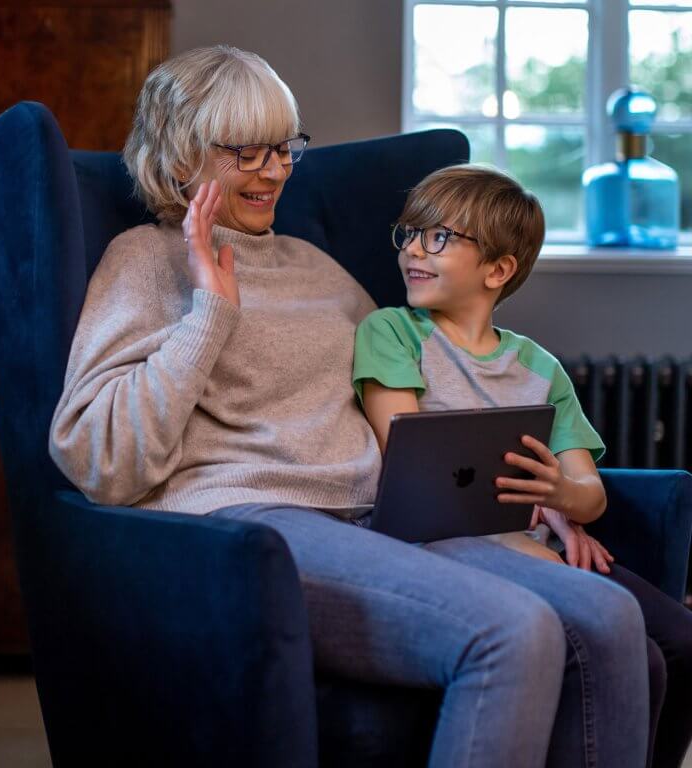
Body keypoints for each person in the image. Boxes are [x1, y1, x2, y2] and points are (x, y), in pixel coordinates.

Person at [49, 45, 650, 767]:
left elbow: (422, 383)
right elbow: (102, 461)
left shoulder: (317, 268)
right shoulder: (143, 262)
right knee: (512, 631)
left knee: (613, 618)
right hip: (255, 526)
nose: (275, 171)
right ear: (183, 158)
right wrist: (210, 312)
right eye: (248, 152)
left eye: (284, 148)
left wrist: (522, 482)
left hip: (384, 519)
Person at [352, 163, 692, 768]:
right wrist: (529, 539)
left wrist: (562, 497)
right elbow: (409, 459)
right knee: (633, 656)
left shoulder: (540, 369)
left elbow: (591, 494)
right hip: (448, 548)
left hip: (540, 545)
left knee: (680, 641)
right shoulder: (392, 333)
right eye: (408, 233)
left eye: (438, 237)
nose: (412, 252)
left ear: (498, 269)